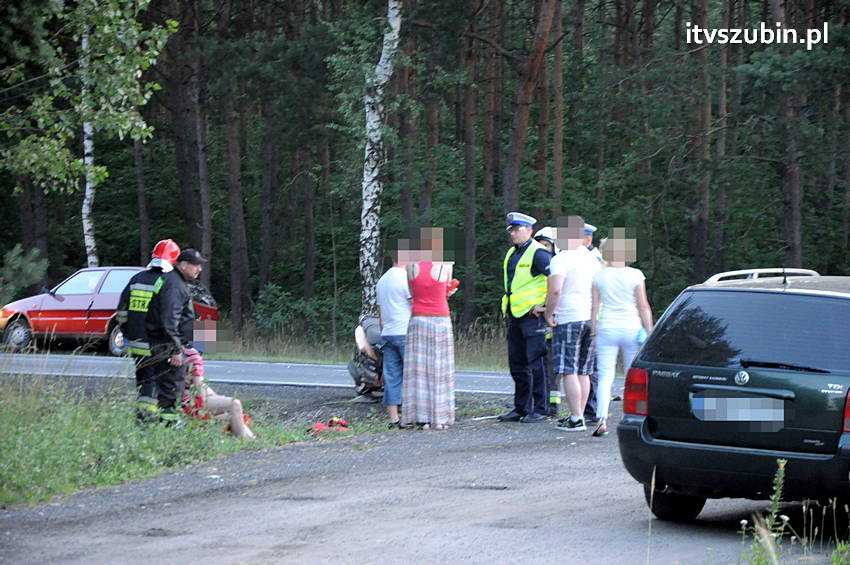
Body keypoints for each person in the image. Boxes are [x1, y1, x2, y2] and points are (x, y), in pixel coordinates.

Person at [590, 227, 654, 437]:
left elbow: (594, 307)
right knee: (632, 377)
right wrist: (650, 331)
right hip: (631, 327)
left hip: (607, 327)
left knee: (605, 376)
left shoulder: (599, 276)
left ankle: (601, 418)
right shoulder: (635, 274)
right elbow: (643, 305)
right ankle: (634, 417)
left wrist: (593, 334)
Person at [117, 239, 189, 420]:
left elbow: (121, 312)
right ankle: (148, 420)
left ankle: (144, 418)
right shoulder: (167, 282)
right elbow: (167, 317)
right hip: (155, 342)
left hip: (135, 341)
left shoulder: (136, 279)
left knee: (144, 380)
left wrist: (127, 332)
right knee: (161, 382)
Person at [543, 216, 601, 432]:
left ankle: (576, 418)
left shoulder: (561, 258)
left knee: (568, 370)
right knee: (584, 371)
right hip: (589, 318)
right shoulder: (592, 258)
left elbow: (555, 290)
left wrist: (549, 314)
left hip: (568, 318)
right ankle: (581, 414)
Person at [401, 227, 457, 430]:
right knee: (439, 368)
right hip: (440, 318)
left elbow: (412, 293)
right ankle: (440, 418)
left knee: (419, 369)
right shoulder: (445, 266)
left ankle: (421, 417)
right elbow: (445, 291)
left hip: (418, 318)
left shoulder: (411, 266)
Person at [498, 212, 552, 423]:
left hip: (533, 316)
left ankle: (541, 408)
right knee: (517, 364)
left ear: (529, 230)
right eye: (511, 230)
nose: (513, 233)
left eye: (517, 229)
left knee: (536, 363)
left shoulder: (538, 253)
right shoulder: (513, 252)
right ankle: (521, 407)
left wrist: (546, 306)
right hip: (515, 314)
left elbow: (556, 281)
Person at [376, 247, 412, 429]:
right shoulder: (405, 279)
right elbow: (415, 305)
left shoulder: (382, 281)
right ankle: (411, 415)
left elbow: (380, 312)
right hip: (405, 331)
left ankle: (393, 418)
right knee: (412, 375)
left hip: (388, 333)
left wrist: (384, 330)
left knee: (391, 376)